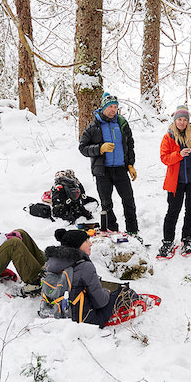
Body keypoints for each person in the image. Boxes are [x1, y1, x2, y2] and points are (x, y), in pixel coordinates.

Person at [44, 228, 140, 326]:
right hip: (84, 320)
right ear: (77, 245)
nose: (90, 244)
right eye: (86, 241)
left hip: (59, 312)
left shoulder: (52, 264)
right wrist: (106, 292)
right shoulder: (84, 266)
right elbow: (100, 302)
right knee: (126, 293)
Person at [78, 92, 139, 236]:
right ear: (103, 107)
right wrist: (99, 149)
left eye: (115, 107)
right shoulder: (93, 127)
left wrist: (130, 164)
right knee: (106, 204)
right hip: (102, 172)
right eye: (110, 106)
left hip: (120, 170)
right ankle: (112, 230)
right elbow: (82, 148)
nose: (113, 110)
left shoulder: (122, 124)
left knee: (128, 201)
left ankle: (133, 231)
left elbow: (129, 145)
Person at [158, 105, 191, 257]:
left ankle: (187, 239)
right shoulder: (168, 137)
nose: (182, 122)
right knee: (172, 212)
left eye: (185, 120)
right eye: (179, 119)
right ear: (175, 121)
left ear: (188, 121)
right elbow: (164, 158)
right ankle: (168, 241)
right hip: (175, 183)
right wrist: (179, 154)